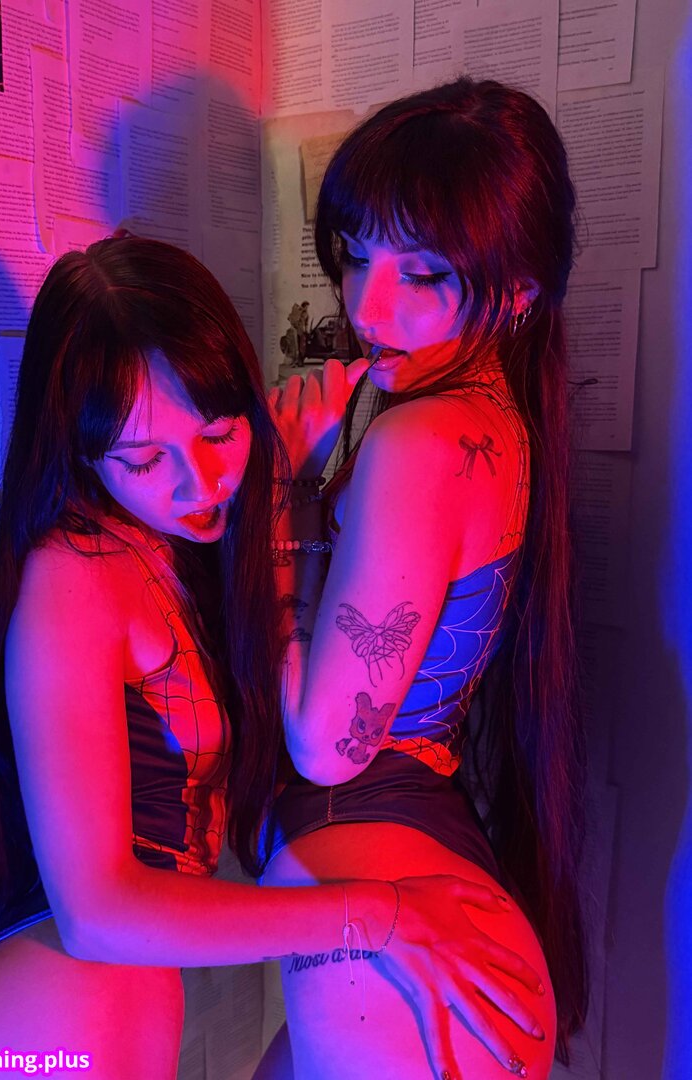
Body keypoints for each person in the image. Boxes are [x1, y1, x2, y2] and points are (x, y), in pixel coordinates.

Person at [0, 237, 541, 1079]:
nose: (198, 484)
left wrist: (290, 490)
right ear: (79, 453)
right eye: (143, 459)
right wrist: (377, 915)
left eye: (218, 433)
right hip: (49, 999)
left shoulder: (177, 549)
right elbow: (97, 914)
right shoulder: (74, 573)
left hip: (101, 992)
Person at [259, 77, 587, 1080]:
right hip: (425, 874)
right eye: (356, 257)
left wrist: (281, 496)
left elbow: (326, 746)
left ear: (519, 292)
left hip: (386, 904)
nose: (365, 306)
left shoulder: (423, 437)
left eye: (423, 272)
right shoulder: (503, 425)